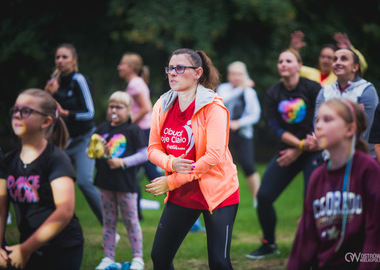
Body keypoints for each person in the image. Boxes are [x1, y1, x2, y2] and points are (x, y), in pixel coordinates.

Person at [145, 48, 239, 269]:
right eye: (170, 68)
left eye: (180, 68)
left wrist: (172, 180)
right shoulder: (162, 105)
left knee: (219, 262)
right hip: (183, 194)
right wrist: (171, 164)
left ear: (198, 73)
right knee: (160, 257)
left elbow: (214, 156)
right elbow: (153, 148)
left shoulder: (214, 107)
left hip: (217, 193)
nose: (173, 73)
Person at [246, 49, 322, 259]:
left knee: (313, 201)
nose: (283, 64)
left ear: (299, 65)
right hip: (290, 148)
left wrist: (299, 150)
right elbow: (275, 128)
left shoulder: (313, 88)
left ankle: (316, 249)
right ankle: (269, 243)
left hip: (314, 149)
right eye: (280, 61)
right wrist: (298, 145)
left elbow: (319, 121)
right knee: (263, 196)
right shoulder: (273, 93)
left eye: (289, 60)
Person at [288, 98, 380, 269]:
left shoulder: (368, 170)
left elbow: (375, 235)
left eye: (327, 119)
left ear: (350, 129)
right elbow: (305, 240)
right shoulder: (317, 177)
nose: (319, 126)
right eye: (317, 120)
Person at [0, 89, 84, 269]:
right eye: (15, 110)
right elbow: (1, 210)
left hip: (62, 248)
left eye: (26, 111)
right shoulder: (7, 161)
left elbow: (65, 211)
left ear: (46, 121)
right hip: (28, 246)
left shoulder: (56, 159)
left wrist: (25, 249)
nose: (17, 115)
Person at [44, 43, 103, 224]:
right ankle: (53, 228)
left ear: (74, 60)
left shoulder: (79, 79)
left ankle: (110, 227)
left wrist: (65, 113)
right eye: (57, 57)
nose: (60, 61)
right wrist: (47, 95)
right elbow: (44, 114)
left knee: (84, 182)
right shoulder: (53, 83)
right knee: (49, 183)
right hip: (62, 141)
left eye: (65, 57)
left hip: (84, 139)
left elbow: (90, 113)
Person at [90, 91, 146, 270]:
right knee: (108, 221)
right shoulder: (101, 129)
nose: (114, 110)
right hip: (105, 183)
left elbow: (144, 154)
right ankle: (108, 257)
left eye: (119, 107)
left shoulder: (133, 130)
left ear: (129, 110)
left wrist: (122, 162)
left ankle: (138, 258)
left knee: (131, 221)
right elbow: (89, 153)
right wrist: (98, 149)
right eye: (111, 106)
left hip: (126, 185)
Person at [117, 52, 162, 220]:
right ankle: (135, 213)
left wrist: (128, 124)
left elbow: (146, 107)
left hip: (142, 131)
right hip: (142, 130)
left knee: (151, 172)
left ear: (131, 67)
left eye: (122, 64)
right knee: (132, 171)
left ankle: (184, 211)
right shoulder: (135, 83)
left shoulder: (135, 84)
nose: (119, 67)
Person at [315, 48, 379, 157]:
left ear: (355, 67)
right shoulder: (324, 91)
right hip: (330, 156)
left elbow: (366, 128)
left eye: (343, 59)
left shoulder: (367, 90)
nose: (337, 62)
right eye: (335, 59)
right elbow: (317, 123)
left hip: (362, 156)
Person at [217, 61, 261, 207]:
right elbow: (221, 102)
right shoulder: (224, 88)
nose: (237, 77)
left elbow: (255, 115)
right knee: (221, 166)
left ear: (245, 75)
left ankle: (257, 199)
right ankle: (221, 197)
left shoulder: (250, 92)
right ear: (229, 75)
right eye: (234, 74)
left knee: (248, 165)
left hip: (243, 134)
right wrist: (241, 88)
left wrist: (239, 123)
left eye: (240, 74)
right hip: (224, 134)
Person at [290, 31, 368, 86]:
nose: (325, 60)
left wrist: (350, 49)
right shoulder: (311, 73)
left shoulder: (340, 76)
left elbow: (362, 66)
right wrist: (293, 50)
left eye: (330, 58)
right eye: (323, 57)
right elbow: (291, 67)